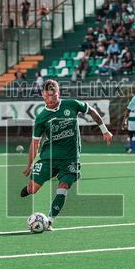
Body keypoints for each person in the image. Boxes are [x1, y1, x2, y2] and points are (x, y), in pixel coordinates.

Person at [21, 80, 112, 229]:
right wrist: (30, 164)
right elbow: (35, 143)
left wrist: (105, 131)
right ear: (43, 95)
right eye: (47, 96)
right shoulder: (42, 117)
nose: (51, 100)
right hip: (49, 157)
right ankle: (28, 188)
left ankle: (49, 220)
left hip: (70, 158)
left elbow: (92, 111)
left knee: (63, 187)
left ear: (59, 93)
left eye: (54, 96)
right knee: (33, 189)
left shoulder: (72, 104)